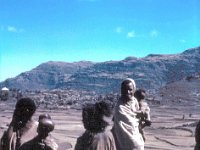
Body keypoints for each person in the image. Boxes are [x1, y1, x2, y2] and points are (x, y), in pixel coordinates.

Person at [112, 78, 145, 150]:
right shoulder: (119, 108)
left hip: (137, 138)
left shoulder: (134, 101)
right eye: (124, 90)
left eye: (130, 89)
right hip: (125, 143)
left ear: (134, 90)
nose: (127, 92)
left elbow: (137, 119)